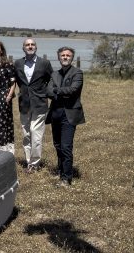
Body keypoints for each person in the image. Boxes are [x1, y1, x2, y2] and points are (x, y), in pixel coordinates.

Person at [46, 47, 85, 186]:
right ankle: (61, 171)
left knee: (66, 146)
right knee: (57, 145)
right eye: (62, 55)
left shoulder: (78, 73)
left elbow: (73, 90)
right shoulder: (54, 74)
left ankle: (66, 178)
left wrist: (56, 90)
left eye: (68, 55)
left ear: (72, 58)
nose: (65, 57)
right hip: (55, 114)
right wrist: (59, 92)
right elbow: (48, 91)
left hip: (69, 115)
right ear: (58, 57)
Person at [14, 38, 53, 173]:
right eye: (27, 45)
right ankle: (28, 161)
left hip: (39, 103)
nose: (30, 47)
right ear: (23, 48)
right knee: (26, 134)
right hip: (24, 103)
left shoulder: (45, 63)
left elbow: (50, 80)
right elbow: (18, 82)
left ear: (36, 47)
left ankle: (34, 164)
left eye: (32, 45)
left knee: (35, 133)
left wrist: (44, 93)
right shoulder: (18, 63)